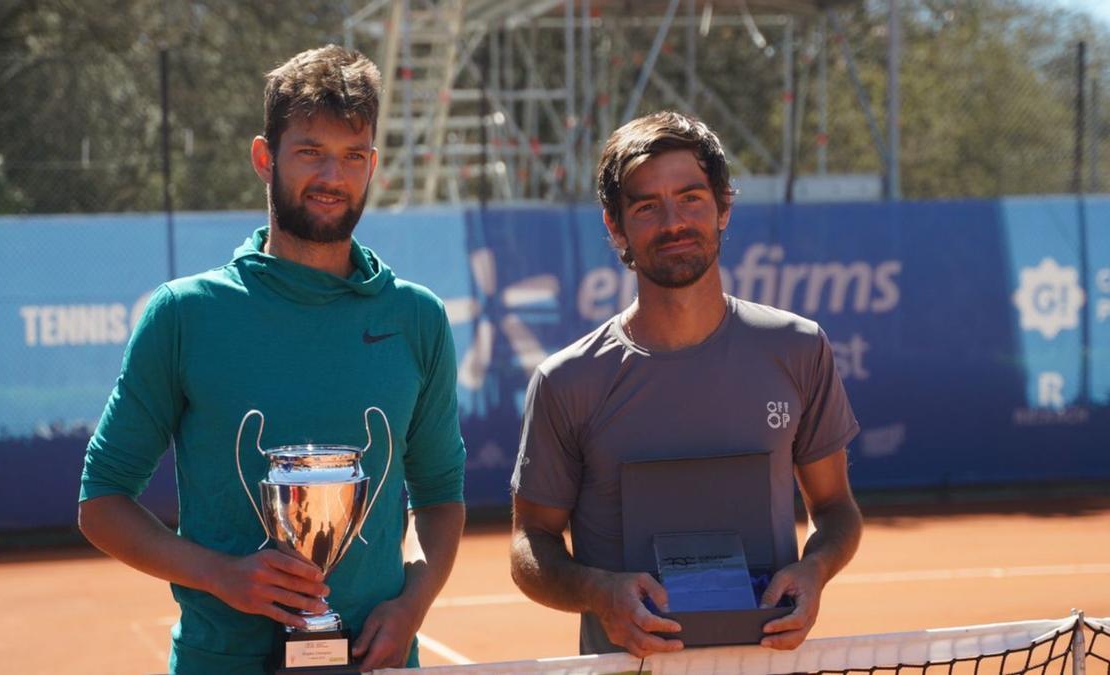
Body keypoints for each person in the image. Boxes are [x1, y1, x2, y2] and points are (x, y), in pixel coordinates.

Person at [78, 45, 467, 674]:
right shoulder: (184, 314)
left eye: (352, 156)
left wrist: (412, 605)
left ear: (372, 164)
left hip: (379, 662)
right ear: (265, 158)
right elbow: (102, 500)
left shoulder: (417, 317)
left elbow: (440, 496)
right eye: (310, 152)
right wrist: (222, 575)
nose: (333, 177)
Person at [509, 111, 863, 658]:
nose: (673, 222)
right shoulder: (566, 381)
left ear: (724, 207)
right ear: (615, 227)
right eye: (647, 206)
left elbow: (836, 507)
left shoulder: (799, 348)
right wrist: (600, 593)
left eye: (691, 198)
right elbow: (530, 545)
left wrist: (814, 570)